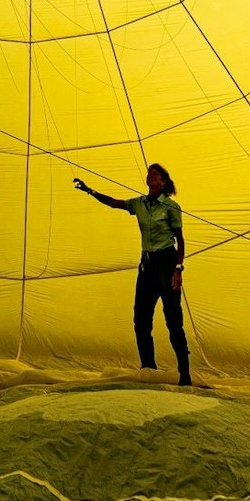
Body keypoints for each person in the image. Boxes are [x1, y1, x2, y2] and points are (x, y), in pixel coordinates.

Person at [74, 164, 191, 386]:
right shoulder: (140, 204)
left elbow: (180, 240)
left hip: (167, 262)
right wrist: (91, 191)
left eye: (155, 174)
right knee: (141, 319)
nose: (150, 176)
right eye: (148, 174)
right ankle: (148, 369)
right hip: (147, 265)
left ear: (163, 182)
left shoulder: (171, 207)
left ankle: (184, 372)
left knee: (173, 319)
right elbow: (115, 203)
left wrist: (178, 269)